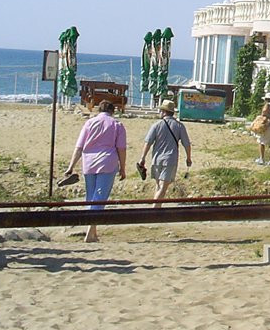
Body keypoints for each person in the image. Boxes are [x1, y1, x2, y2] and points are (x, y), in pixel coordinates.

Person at [63, 100, 127, 243]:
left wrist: (71, 166)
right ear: (113, 111)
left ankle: (93, 231)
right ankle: (90, 232)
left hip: (89, 162)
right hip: (107, 162)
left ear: (99, 110)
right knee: (100, 197)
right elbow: (121, 149)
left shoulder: (89, 123)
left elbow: (79, 147)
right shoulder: (117, 125)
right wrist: (123, 167)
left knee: (91, 197)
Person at [139, 99, 192, 202]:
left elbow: (148, 142)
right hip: (170, 159)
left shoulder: (156, 125)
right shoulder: (179, 126)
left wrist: (143, 158)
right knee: (163, 187)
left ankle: (156, 210)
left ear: (163, 112)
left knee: (158, 185)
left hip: (156, 159)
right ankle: (154, 211)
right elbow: (186, 144)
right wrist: (188, 158)